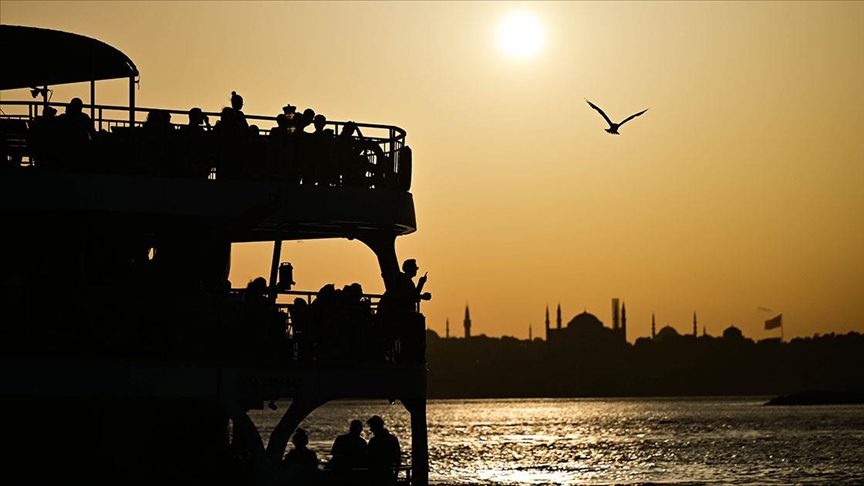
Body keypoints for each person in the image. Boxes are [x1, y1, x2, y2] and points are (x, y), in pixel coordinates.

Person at [366, 415, 400, 484]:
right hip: (388, 474)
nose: (370, 429)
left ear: (377, 426)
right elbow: (397, 458)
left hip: (377, 475)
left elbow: (368, 457)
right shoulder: (393, 439)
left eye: (372, 426)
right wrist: (395, 475)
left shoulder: (373, 441)